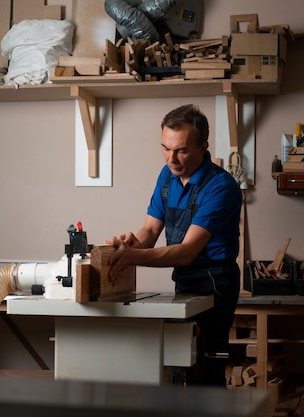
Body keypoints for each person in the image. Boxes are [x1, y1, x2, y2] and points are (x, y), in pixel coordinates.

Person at [105, 103, 243, 387]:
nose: (171, 158)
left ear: (203, 147)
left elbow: (186, 251)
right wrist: (129, 245)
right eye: (165, 148)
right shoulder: (167, 176)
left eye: (181, 150)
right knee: (184, 364)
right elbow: (150, 230)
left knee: (206, 370)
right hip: (185, 279)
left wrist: (133, 257)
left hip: (215, 281)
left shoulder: (221, 187)